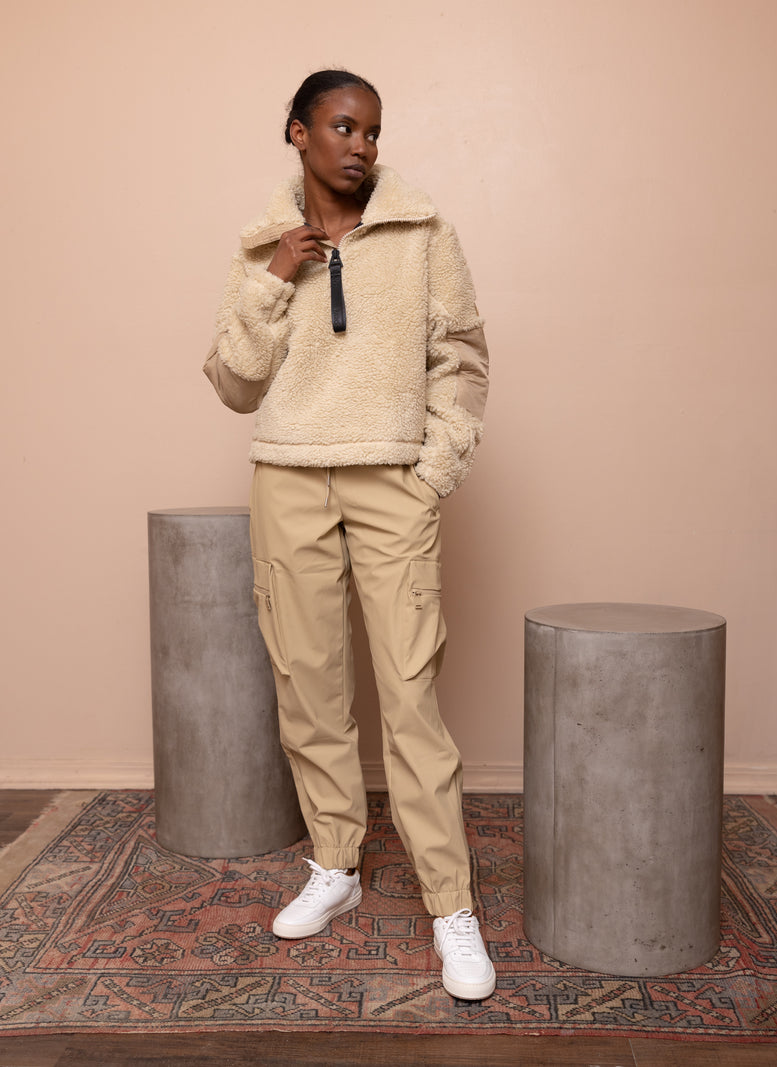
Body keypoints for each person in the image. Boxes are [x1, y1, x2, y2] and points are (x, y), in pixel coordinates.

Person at [204, 69, 492, 1001]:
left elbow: (461, 356)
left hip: (390, 477)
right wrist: (274, 280)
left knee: (411, 693)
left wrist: (433, 467)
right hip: (287, 476)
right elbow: (234, 382)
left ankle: (451, 903)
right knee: (308, 685)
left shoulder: (423, 231)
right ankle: (336, 863)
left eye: (371, 130)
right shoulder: (264, 245)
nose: (361, 144)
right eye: (341, 126)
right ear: (298, 132)